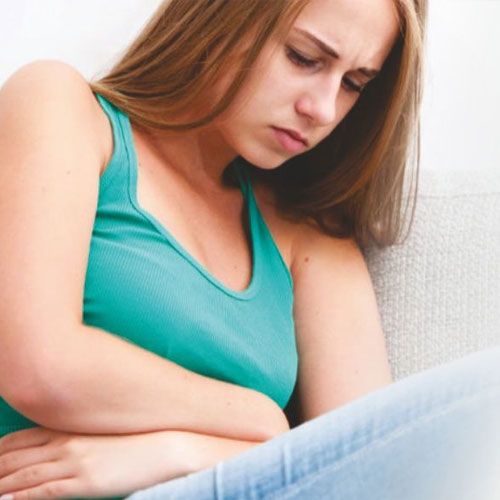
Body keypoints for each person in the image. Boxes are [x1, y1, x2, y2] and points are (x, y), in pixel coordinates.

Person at [0, 0, 498, 499]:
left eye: (353, 83)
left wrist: (179, 454)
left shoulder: (309, 235)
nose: (324, 109)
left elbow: (368, 475)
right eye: (304, 58)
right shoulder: (61, 107)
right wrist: (259, 419)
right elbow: (37, 365)